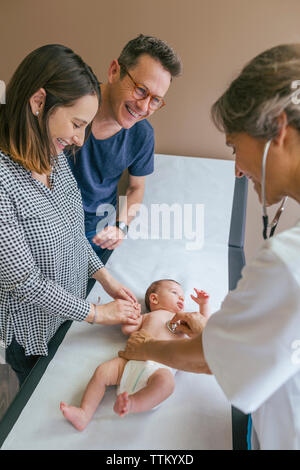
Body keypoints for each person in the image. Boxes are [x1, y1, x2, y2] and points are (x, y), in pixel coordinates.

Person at [118, 44, 300, 450]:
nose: (236, 168)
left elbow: (207, 360)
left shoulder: (288, 260)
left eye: (235, 147)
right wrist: (210, 332)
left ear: (278, 127)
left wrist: (151, 347)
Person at [0, 44, 141, 386]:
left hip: (70, 308)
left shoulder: (52, 155)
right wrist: (97, 314)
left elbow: (72, 230)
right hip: (32, 329)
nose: (80, 139)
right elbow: (25, 283)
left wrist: (105, 278)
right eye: (77, 124)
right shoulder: (4, 183)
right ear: (38, 102)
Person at [67, 34, 182, 265]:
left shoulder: (142, 135)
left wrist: (120, 226)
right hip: (48, 219)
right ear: (114, 71)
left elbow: (136, 187)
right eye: (140, 90)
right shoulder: (72, 105)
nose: (144, 107)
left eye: (156, 100)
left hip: (94, 231)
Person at [60, 280, 209, 430]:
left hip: (161, 368)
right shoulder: (148, 316)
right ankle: (85, 413)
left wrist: (203, 305)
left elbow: (202, 331)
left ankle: (131, 403)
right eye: (174, 293)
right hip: (131, 361)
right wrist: (133, 315)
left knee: (167, 383)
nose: (181, 298)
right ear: (154, 299)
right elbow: (128, 330)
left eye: (182, 296)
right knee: (102, 371)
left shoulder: (184, 319)